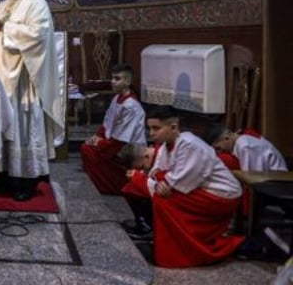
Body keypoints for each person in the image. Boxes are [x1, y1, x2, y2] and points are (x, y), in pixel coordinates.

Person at [0, 0, 63, 201]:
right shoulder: (3, 4)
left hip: (23, 79)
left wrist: (4, 26)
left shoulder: (37, 4)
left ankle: (26, 180)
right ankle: (3, 174)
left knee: (22, 126)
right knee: (2, 125)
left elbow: (38, 35)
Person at [144, 105, 244, 268]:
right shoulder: (165, 146)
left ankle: (182, 252)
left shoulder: (190, 144)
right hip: (200, 191)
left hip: (221, 196)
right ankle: (170, 244)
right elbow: (161, 174)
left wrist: (160, 183)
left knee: (162, 199)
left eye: (156, 128)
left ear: (174, 127)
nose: (151, 133)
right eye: (149, 128)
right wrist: (158, 181)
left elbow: (177, 182)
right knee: (148, 188)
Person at [81, 64, 147, 194]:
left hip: (129, 151)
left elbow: (121, 140)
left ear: (127, 81)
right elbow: (107, 123)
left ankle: (114, 187)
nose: (113, 82)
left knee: (90, 151)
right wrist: (97, 137)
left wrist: (99, 143)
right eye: (112, 78)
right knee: (86, 148)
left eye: (117, 79)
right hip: (113, 144)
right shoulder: (116, 98)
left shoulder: (131, 106)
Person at [202, 124, 289, 172]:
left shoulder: (245, 146)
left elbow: (253, 178)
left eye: (218, 148)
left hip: (278, 183)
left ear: (227, 138)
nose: (220, 153)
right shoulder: (241, 141)